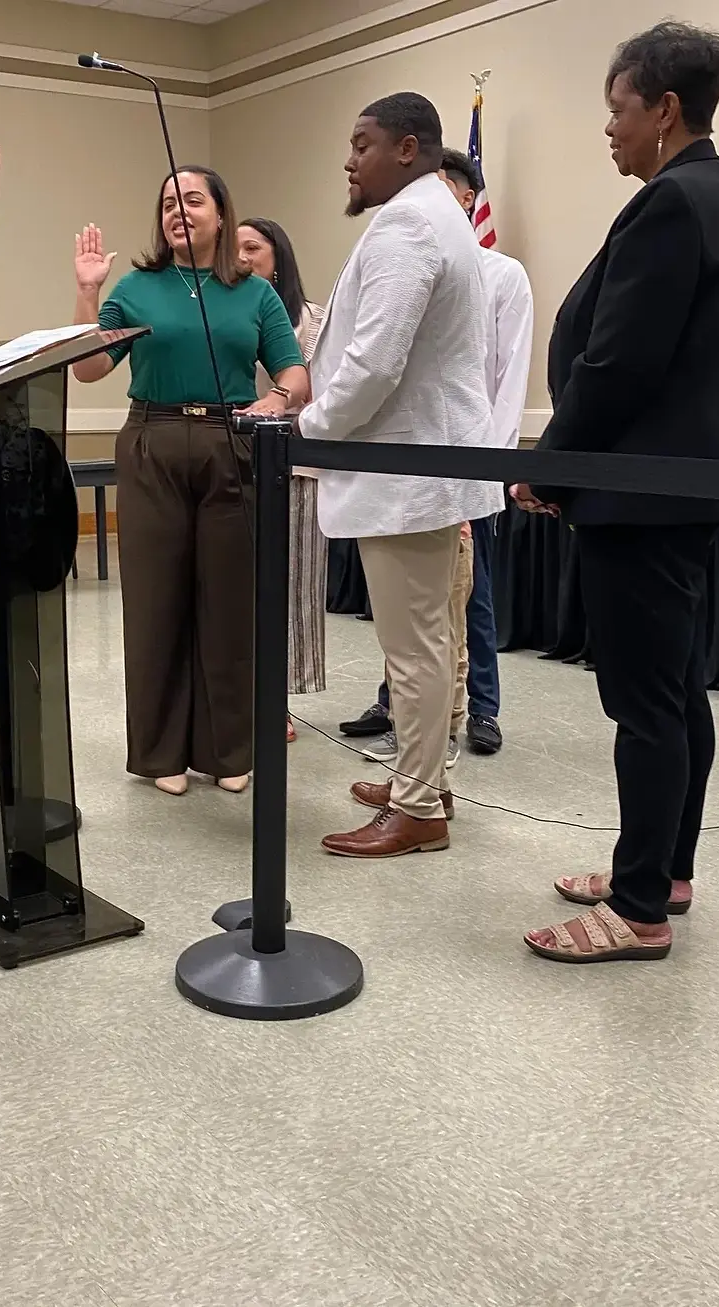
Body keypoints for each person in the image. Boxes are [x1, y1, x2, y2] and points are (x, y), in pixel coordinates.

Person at [516, 20, 719, 962]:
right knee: (677, 693)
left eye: (618, 110)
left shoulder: (673, 205)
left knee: (644, 705)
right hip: (680, 491)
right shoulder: (716, 196)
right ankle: (666, 867)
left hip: (638, 495)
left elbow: (618, 364)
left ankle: (639, 905)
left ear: (665, 109)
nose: (610, 129)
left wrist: (550, 461)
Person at [299, 92, 499, 859]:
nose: (349, 160)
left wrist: (308, 426)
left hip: (406, 476)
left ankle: (418, 807)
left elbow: (374, 362)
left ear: (408, 149)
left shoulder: (410, 222)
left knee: (413, 649)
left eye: (362, 144)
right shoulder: (438, 214)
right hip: (425, 471)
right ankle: (424, 779)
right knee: (426, 642)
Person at [71, 169, 308, 797]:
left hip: (230, 445)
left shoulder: (254, 294)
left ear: (222, 214)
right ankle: (159, 753)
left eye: (193, 200)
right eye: (169, 202)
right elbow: (91, 369)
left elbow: (294, 374)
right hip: (152, 442)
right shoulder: (137, 287)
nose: (179, 211)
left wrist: (275, 400)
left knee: (229, 604)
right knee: (155, 603)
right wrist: (89, 294)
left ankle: (228, 750)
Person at [346, 146, 534, 767]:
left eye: (454, 189)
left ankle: (478, 712)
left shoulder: (501, 273)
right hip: (417, 461)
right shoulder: (425, 250)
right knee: (419, 620)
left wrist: (491, 466)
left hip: (461, 460)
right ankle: (408, 740)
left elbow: (504, 380)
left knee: (461, 604)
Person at [237, 218, 327, 743]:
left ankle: (280, 701)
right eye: (238, 248)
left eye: (255, 248)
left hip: (296, 465)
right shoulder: (224, 311)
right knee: (238, 586)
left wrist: (281, 398)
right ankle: (240, 692)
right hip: (234, 463)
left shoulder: (312, 321)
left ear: (279, 257)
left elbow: (319, 386)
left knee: (293, 586)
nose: (244, 257)